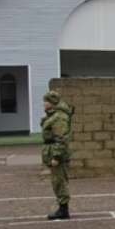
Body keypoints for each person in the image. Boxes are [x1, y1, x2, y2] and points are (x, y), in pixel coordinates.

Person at [41, 90, 73, 220]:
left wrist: (56, 156)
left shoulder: (59, 117)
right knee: (57, 181)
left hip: (58, 153)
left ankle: (63, 209)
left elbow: (61, 138)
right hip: (52, 150)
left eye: (46, 101)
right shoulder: (52, 116)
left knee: (59, 181)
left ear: (52, 102)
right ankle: (62, 207)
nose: (44, 104)